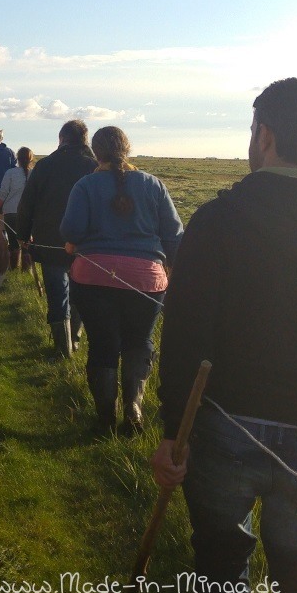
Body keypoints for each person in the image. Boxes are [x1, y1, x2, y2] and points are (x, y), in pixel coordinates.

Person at [152, 77, 297, 593]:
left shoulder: (217, 219)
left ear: (265, 135)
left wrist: (170, 432)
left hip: (222, 424)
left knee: (221, 568)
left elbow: (183, 335)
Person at [60, 126, 183, 436]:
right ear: (128, 149)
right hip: (146, 280)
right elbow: (175, 237)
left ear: (95, 152)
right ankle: (134, 408)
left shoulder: (85, 186)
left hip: (93, 276)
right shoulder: (153, 185)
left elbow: (71, 231)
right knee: (138, 341)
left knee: (102, 345)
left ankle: (104, 419)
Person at [17, 120, 97, 357]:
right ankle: (74, 339)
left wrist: (22, 235)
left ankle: (63, 349)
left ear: (61, 139)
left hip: (50, 239)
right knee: (80, 291)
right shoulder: (93, 166)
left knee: (57, 292)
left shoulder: (45, 166)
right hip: (85, 243)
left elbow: (27, 203)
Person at [0, 147, 34, 271]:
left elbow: (3, 194)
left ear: (17, 158)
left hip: (11, 213)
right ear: (31, 159)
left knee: (13, 244)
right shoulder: (35, 174)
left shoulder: (10, 173)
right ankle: (26, 272)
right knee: (26, 244)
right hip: (29, 215)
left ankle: (13, 270)